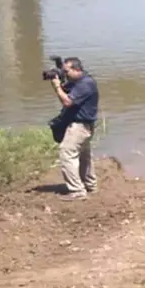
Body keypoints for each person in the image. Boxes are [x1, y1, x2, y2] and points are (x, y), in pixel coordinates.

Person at [50, 57, 100, 200]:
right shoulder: (79, 81)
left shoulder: (85, 84)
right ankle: (90, 185)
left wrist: (57, 86)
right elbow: (68, 90)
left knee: (66, 152)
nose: (65, 74)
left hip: (80, 126)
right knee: (84, 156)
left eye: (67, 71)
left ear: (77, 70)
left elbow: (67, 101)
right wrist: (60, 78)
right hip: (84, 126)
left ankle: (77, 191)